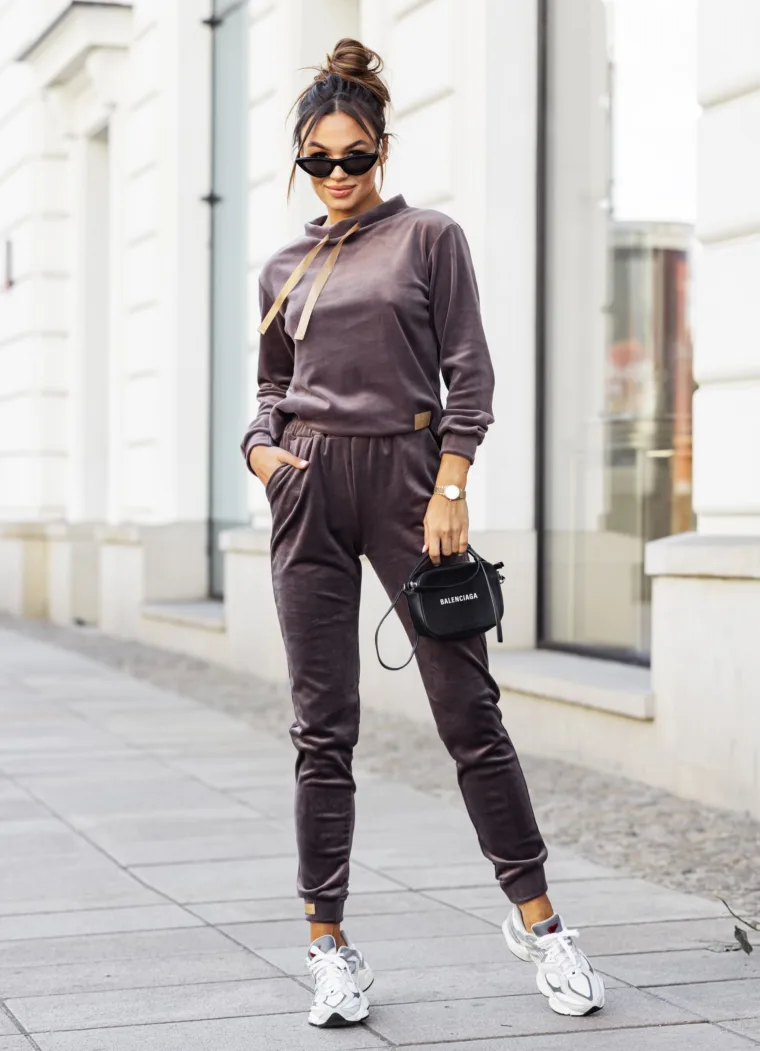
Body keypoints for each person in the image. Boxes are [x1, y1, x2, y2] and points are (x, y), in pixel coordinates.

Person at [241, 37, 605, 1029]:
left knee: (469, 712)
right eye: (319, 159)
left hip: (410, 482)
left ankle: (540, 922)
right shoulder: (282, 266)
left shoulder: (429, 238)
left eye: (354, 156)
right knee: (322, 727)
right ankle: (328, 945)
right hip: (308, 489)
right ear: (301, 160)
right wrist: (261, 452)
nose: (338, 173)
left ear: (382, 149)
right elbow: (271, 388)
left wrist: (451, 483)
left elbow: (467, 372)